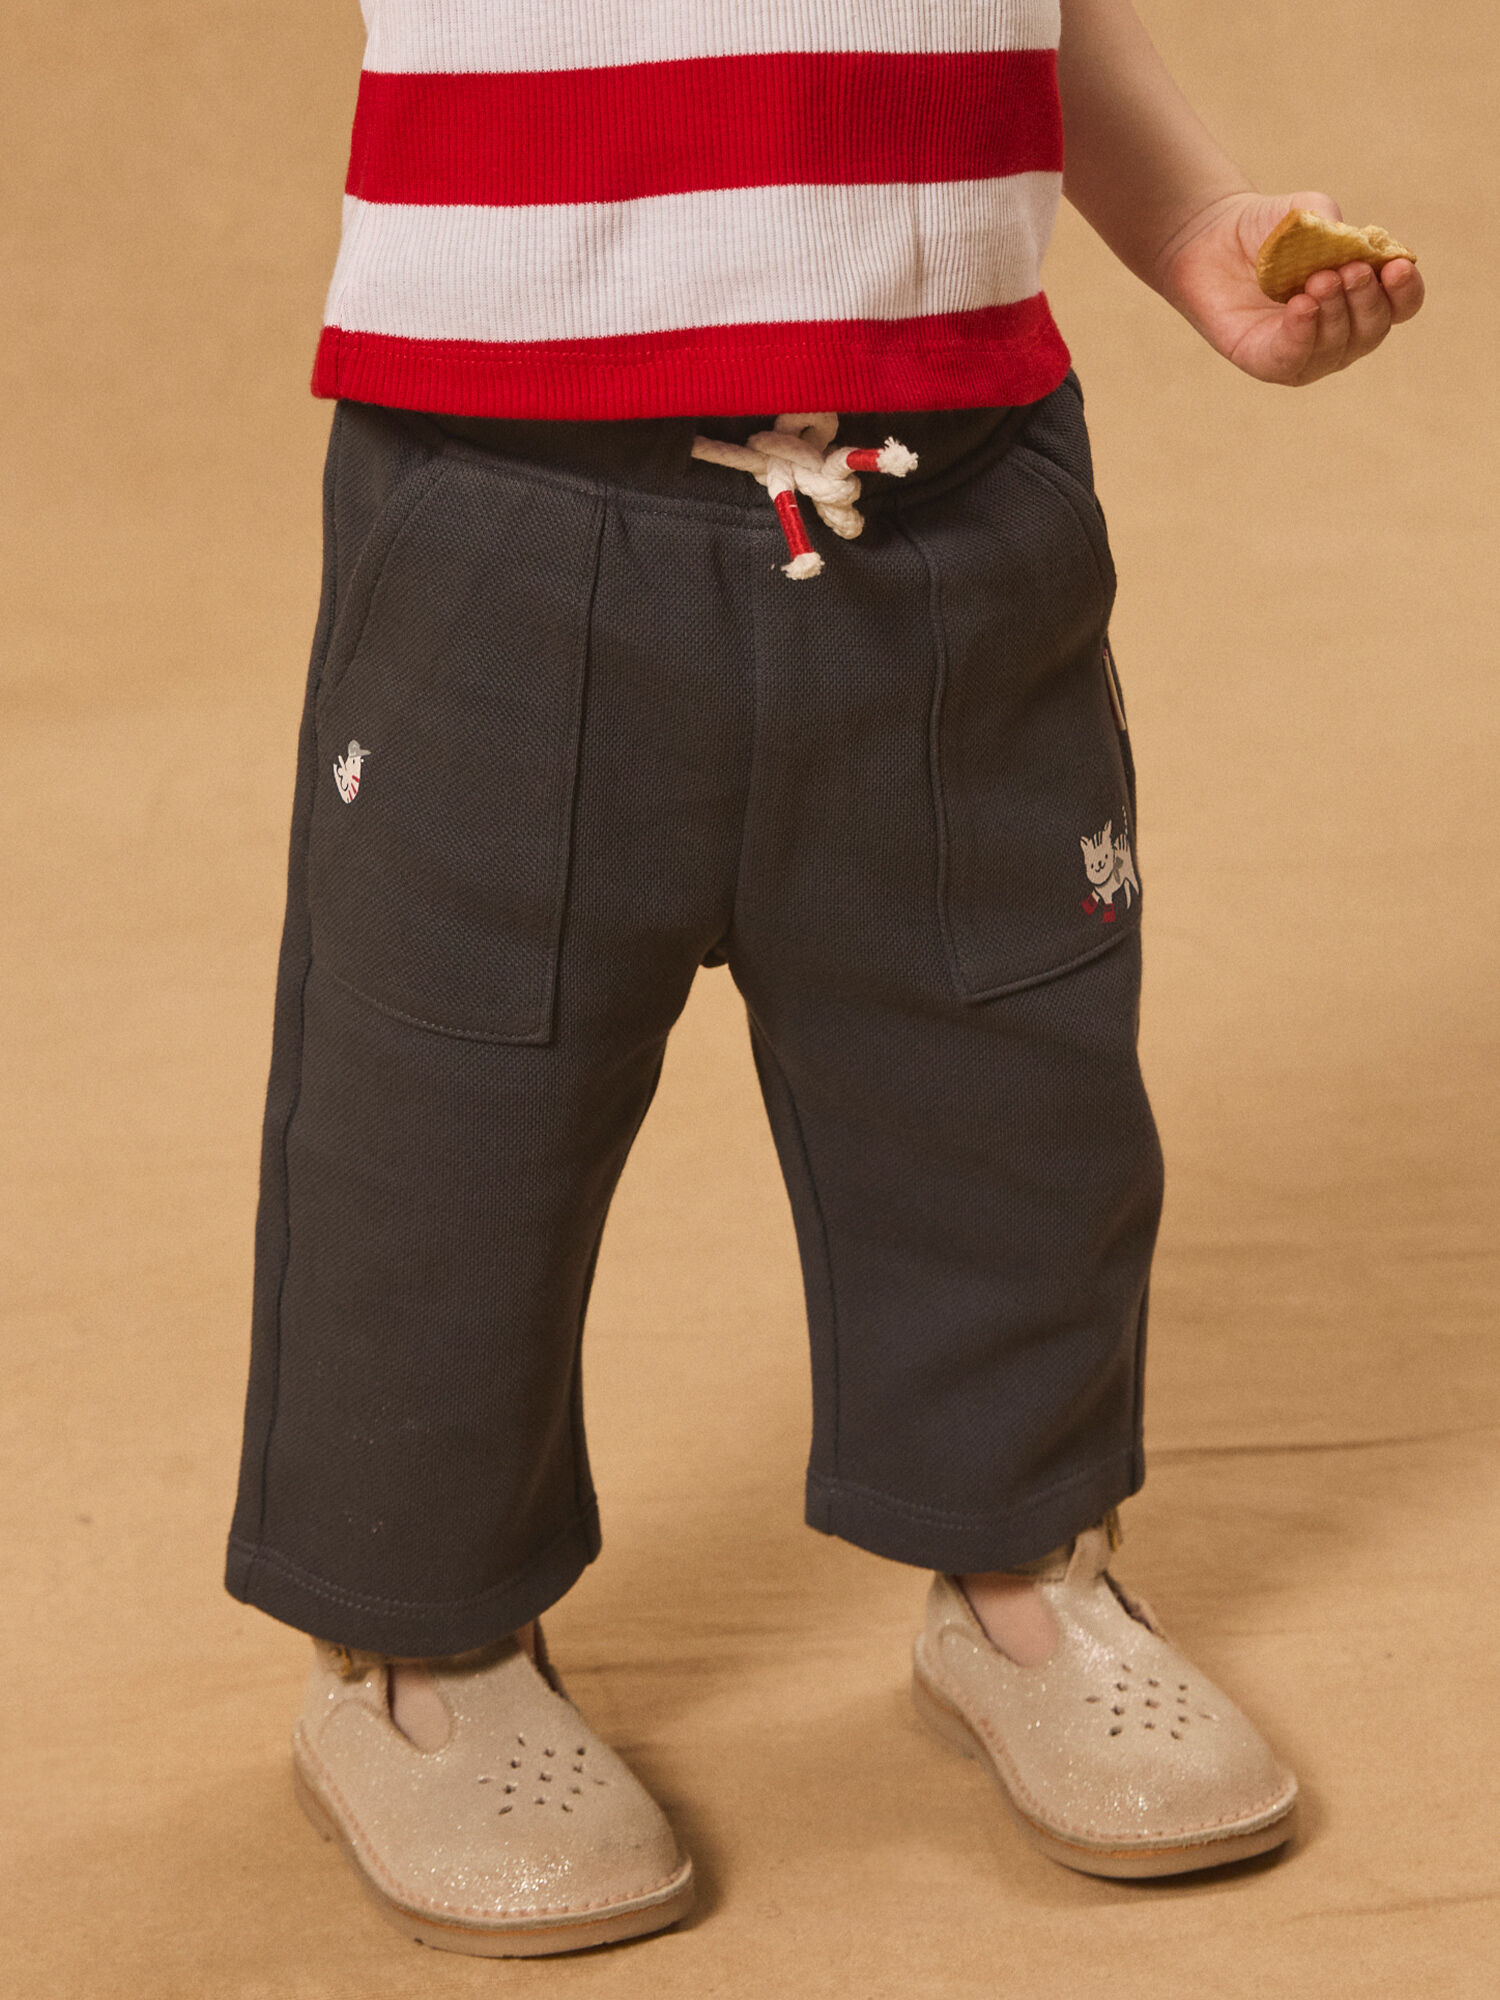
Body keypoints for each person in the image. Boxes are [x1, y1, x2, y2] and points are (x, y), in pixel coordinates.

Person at [224, 0, 1424, 1956]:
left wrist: (1191, 214)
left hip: (951, 483)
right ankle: (414, 1653)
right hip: (514, 491)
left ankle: (1024, 1570)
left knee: (1007, 1066)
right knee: (448, 1105)